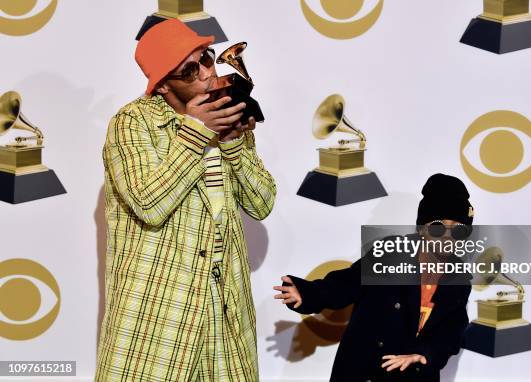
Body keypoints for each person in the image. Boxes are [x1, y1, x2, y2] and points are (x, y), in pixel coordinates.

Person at [95, 19, 276, 381]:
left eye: (207, 58)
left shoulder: (225, 111)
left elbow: (262, 203)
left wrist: (232, 143)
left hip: (224, 312)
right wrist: (196, 132)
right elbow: (149, 204)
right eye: (190, 70)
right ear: (162, 85)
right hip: (159, 310)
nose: (208, 73)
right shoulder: (131, 123)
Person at [274, 174, 473, 382]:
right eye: (438, 227)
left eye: (458, 229)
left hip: (413, 376)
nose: (448, 236)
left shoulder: (459, 281)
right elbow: (347, 282)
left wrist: (425, 354)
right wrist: (309, 293)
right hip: (365, 370)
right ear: (422, 228)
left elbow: (451, 330)